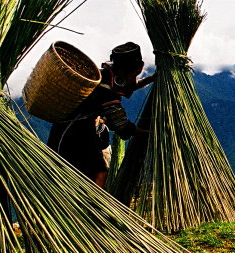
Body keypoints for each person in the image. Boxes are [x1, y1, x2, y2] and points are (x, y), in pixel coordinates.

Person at [47, 42, 154, 188]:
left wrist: (152, 78)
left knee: (86, 176)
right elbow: (123, 128)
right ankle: (94, 209)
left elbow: (127, 87)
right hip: (74, 137)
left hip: (65, 132)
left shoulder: (107, 75)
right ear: (140, 67)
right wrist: (153, 134)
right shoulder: (107, 89)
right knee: (98, 175)